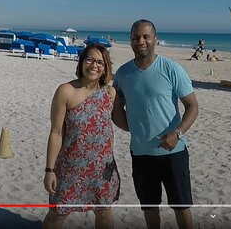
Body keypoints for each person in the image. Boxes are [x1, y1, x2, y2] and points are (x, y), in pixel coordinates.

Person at [114, 19, 199, 229]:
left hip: (173, 152)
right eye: (136, 37)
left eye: (146, 36)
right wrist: (132, 129)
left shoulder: (171, 68)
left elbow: (192, 106)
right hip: (141, 154)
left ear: (156, 40)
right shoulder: (123, 74)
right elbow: (117, 109)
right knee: (149, 206)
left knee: (181, 206)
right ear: (130, 41)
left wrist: (177, 133)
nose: (141, 41)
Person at [43, 43, 121, 229]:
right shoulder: (66, 91)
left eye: (100, 62)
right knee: (57, 214)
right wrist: (49, 170)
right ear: (81, 63)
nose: (94, 65)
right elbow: (56, 132)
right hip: (70, 168)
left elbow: (125, 123)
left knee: (104, 212)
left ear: (105, 68)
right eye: (90, 60)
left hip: (102, 169)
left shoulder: (110, 93)